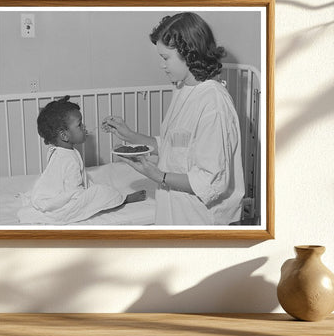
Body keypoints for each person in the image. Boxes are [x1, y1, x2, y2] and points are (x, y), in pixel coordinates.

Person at [102, 12, 245, 225]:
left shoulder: (214, 104)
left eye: (165, 58)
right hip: (176, 207)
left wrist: (158, 175)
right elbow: (176, 145)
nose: (162, 65)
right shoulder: (183, 89)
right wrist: (130, 136)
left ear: (189, 53)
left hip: (204, 219)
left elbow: (211, 181)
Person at [17, 96, 145, 225]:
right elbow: (74, 192)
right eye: (79, 125)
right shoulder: (69, 159)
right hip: (70, 198)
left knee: (93, 187)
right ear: (64, 135)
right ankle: (123, 199)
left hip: (60, 193)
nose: (84, 127)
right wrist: (89, 197)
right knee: (102, 192)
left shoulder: (57, 151)